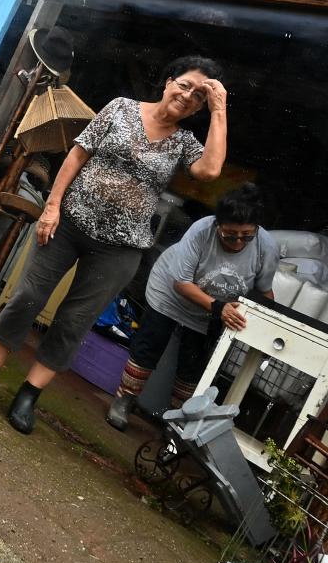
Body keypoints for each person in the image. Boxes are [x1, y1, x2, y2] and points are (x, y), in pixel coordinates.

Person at [0, 57, 229, 434]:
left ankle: (29, 394)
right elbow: (78, 154)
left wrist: (219, 108)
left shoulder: (184, 143)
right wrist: (51, 208)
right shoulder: (121, 108)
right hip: (69, 224)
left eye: (199, 96)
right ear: (168, 81)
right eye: (185, 85)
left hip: (121, 248)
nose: (188, 96)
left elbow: (209, 172)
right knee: (27, 296)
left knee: (74, 321)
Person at [105, 183, 279, 430]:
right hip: (170, 292)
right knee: (148, 346)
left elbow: (264, 292)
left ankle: (175, 425)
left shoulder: (266, 247)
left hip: (212, 311)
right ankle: (123, 401)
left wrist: (267, 327)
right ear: (217, 225)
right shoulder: (201, 231)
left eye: (246, 236)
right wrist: (218, 308)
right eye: (230, 235)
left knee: (192, 366)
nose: (239, 242)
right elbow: (181, 283)